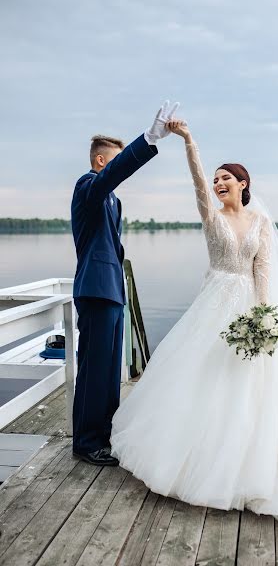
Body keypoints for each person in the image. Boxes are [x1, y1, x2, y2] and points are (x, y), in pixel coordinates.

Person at [110, 119, 278, 537]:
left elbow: (263, 270)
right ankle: (196, 462)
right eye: (216, 179)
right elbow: (196, 177)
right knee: (205, 378)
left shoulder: (261, 223)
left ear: (243, 183)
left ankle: (252, 468)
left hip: (248, 306)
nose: (217, 183)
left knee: (253, 386)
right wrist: (189, 141)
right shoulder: (210, 213)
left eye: (226, 178)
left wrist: (264, 317)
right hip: (213, 303)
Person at [71, 100, 180, 466]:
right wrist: (149, 139)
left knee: (108, 373)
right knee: (94, 370)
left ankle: (104, 435)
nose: (116, 168)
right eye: (114, 162)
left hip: (112, 292)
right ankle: (86, 443)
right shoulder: (88, 186)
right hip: (96, 290)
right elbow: (110, 178)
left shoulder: (113, 200)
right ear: (102, 162)